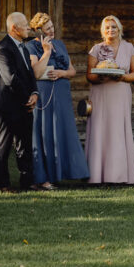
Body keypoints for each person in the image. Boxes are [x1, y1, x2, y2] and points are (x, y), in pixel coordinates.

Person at [25, 12, 89, 189]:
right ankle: (41, 178)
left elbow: (72, 71)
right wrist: (46, 53)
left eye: (52, 27)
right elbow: (36, 73)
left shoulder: (60, 44)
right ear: (38, 31)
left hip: (61, 96)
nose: (52, 31)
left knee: (60, 133)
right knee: (44, 134)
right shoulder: (31, 47)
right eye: (47, 29)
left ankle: (58, 174)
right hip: (43, 96)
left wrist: (62, 73)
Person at [85, 15, 134, 184]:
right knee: (100, 130)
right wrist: (101, 77)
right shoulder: (96, 49)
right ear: (103, 30)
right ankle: (97, 175)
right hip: (101, 94)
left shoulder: (129, 48)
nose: (111, 30)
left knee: (118, 131)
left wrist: (123, 78)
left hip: (120, 94)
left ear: (119, 29)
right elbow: (89, 75)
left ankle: (120, 175)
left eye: (114, 27)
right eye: (107, 27)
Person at [0, 11, 39, 193]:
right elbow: (10, 78)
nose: (29, 27)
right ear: (14, 28)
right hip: (8, 105)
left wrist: (34, 93)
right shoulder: (2, 49)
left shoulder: (24, 48)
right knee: (3, 146)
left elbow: (30, 74)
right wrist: (28, 96)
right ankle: (3, 184)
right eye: (25, 24)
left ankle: (27, 182)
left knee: (25, 145)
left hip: (26, 104)